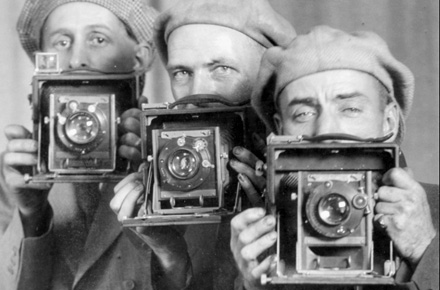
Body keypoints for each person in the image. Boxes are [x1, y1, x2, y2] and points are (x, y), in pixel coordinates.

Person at [0, 1, 194, 289]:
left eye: (98, 39)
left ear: (139, 58)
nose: (77, 59)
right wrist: (31, 214)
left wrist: (153, 186)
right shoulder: (15, 174)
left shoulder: (181, 157)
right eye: (61, 41)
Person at [231, 25, 439, 290]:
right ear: (280, 129)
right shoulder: (258, 234)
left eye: (350, 108)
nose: (327, 131)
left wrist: (424, 249)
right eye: (303, 114)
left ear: (389, 122)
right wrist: (253, 285)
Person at [110, 0, 296, 289]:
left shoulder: (303, 176)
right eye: (182, 73)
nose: (197, 92)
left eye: (221, 68)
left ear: (266, 83)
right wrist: (168, 255)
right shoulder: (160, 176)